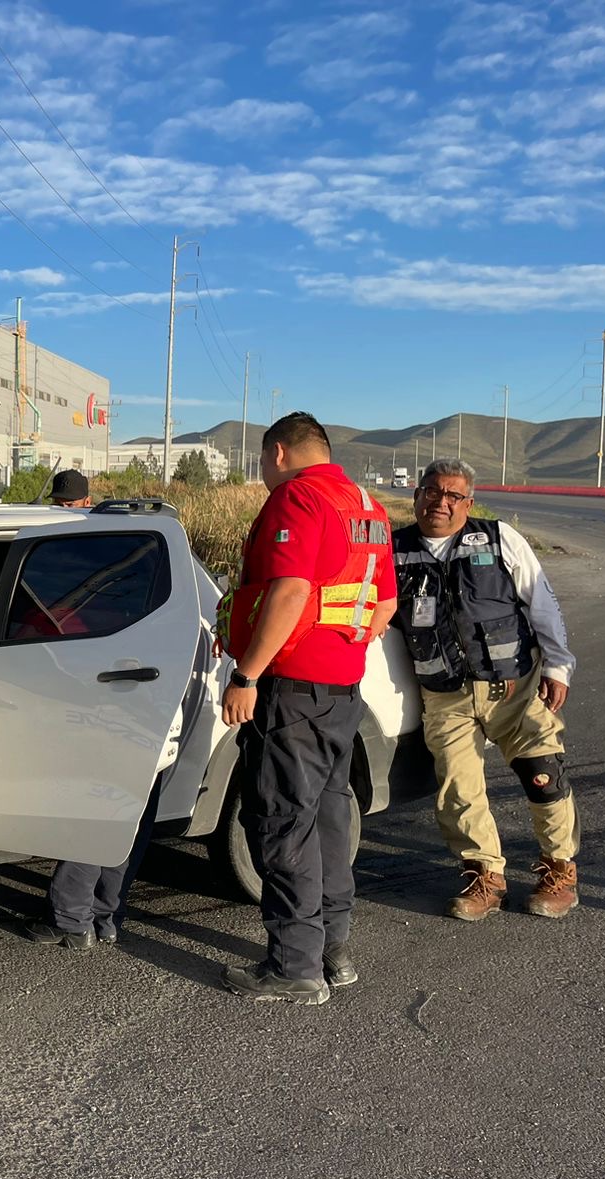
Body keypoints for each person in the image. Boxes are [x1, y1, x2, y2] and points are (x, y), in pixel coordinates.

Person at [216, 413, 397, 1004]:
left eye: (263, 461)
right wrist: (340, 650)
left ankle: (295, 967)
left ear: (278, 452)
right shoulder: (366, 506)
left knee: (281, 822)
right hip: (343, 691)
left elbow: (291, 590)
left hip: (292, 690)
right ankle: (332, 952)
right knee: (329, 819)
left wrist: (247, 674)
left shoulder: (298, 497)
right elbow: (384, 605)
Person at [391, 459, 580, 920]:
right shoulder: (393, 551)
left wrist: (558, 666)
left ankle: (560, 870)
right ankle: (486, 877)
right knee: (459, 790)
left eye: (453, 495)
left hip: (515, 687)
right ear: (417, 496)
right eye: (432, 491)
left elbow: (541, 601)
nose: (441, 502)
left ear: (468, 502)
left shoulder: (498, 538)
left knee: (543, 776)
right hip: (444, 694)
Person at [24, 467, 148, 950]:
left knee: (96, 811)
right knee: (120, 813)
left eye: (67, 504)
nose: (62, 511)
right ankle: (103, 916)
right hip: (135, 698)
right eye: (58, 504)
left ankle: (72, 920)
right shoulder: (121, 550)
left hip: (93, 700)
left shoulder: (61, 558)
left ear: (84, 502)